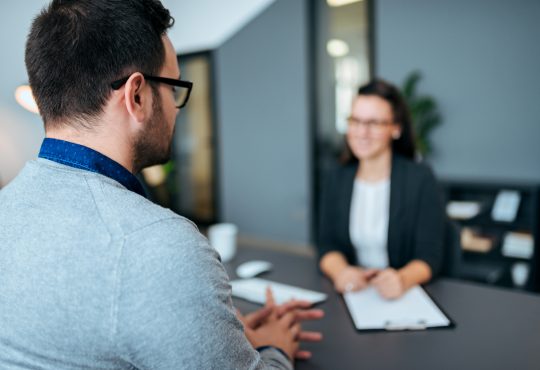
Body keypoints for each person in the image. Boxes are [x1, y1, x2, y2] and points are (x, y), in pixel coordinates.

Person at [0, 1, 322, 369]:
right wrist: (276, 349)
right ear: (136, 96)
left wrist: (215, 331)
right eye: (173, 88)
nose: (176, 108)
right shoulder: (160, 245)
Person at [317, 79, 445, 299]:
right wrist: (341, 272)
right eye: (355, 121)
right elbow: (326, 245)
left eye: (374, 123)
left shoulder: (420, 178)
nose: (361, 132)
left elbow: (429, 256)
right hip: (354, 295)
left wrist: (402, 279)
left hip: (404, 296)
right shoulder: (337, 177)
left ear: (395, 128)